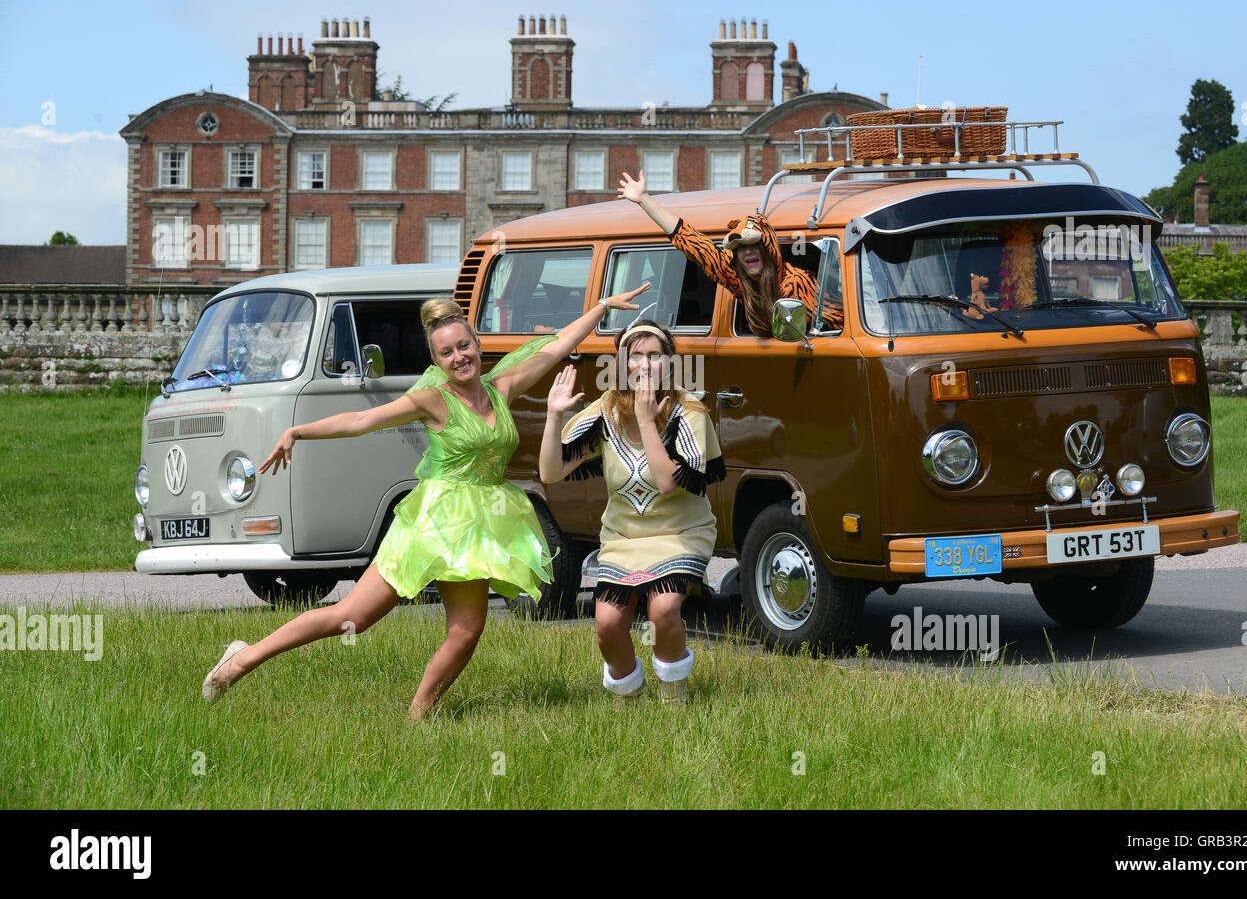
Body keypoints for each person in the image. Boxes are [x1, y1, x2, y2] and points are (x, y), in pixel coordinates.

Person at [201, 285, 650, 719]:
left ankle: (417, 717)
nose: (459, 358)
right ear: (436, 360)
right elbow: (361, 419)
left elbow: (554, 348)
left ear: (476, 342)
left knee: (467, 630)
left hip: (479, 527)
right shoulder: (433, 400)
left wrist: (602, 306)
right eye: (447, 353)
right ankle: (241, 660)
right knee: (351, 617)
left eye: (464, 346)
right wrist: (298, 432)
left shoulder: (501, 388)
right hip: (432, 523)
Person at [538, 319, 725, 703]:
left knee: (664, 608)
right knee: (607, 623)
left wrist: (645, 418)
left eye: (654, 356)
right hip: (623, 538)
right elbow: (550, 472)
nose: (644, 364)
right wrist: (554, 415)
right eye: (635, 356)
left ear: (669, 364)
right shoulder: (605, 409)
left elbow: (668, 483)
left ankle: (674, 695)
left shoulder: (690, 411)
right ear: (622, 364)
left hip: (680, 532)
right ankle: (631, 698)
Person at [617, 170, 844, 336]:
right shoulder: (738, 278)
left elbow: (816, 333)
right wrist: (643, 199)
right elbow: (694, 243)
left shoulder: (793, 283)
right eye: (740, 248)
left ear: (769, 250)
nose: (748, 253)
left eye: (755, 245)